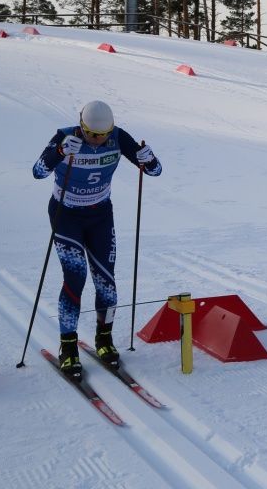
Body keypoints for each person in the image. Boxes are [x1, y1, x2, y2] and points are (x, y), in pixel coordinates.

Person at [32, 101, 162, 379]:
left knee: (107, 284)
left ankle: (104, 339)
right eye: (92, 135)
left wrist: (149, 159)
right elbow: (38, 171)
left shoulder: (117, 137)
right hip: (65, 214)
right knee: (75, 277)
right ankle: (68, 348)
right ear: (82, 126)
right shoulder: (65, 136)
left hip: (100, 215)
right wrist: (58, 152)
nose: (97, 140)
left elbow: (154, 171)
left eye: (103, 135)